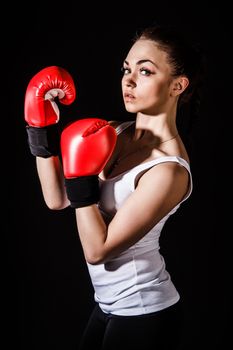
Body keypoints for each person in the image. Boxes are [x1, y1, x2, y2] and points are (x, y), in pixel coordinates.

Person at [24, 24, 204, 350]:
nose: (129, 80)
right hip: (107, 306)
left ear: (177, 85)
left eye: (145, 71)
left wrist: (80, 180)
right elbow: (56, 199)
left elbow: (98, 250)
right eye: (126, 69)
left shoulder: (168, 171)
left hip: (144, 313)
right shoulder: (113, 132)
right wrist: (40, 129)